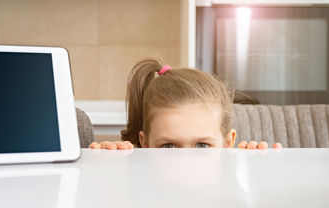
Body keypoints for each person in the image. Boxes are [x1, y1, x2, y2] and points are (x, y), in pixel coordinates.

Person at [89, 58, 282, 150]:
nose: (186, 162)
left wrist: (257, 173)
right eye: (169, 146)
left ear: (228, 143)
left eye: (201, 146)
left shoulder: (235, 183)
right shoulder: (133, 184)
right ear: (144, 142)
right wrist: (110, 169)